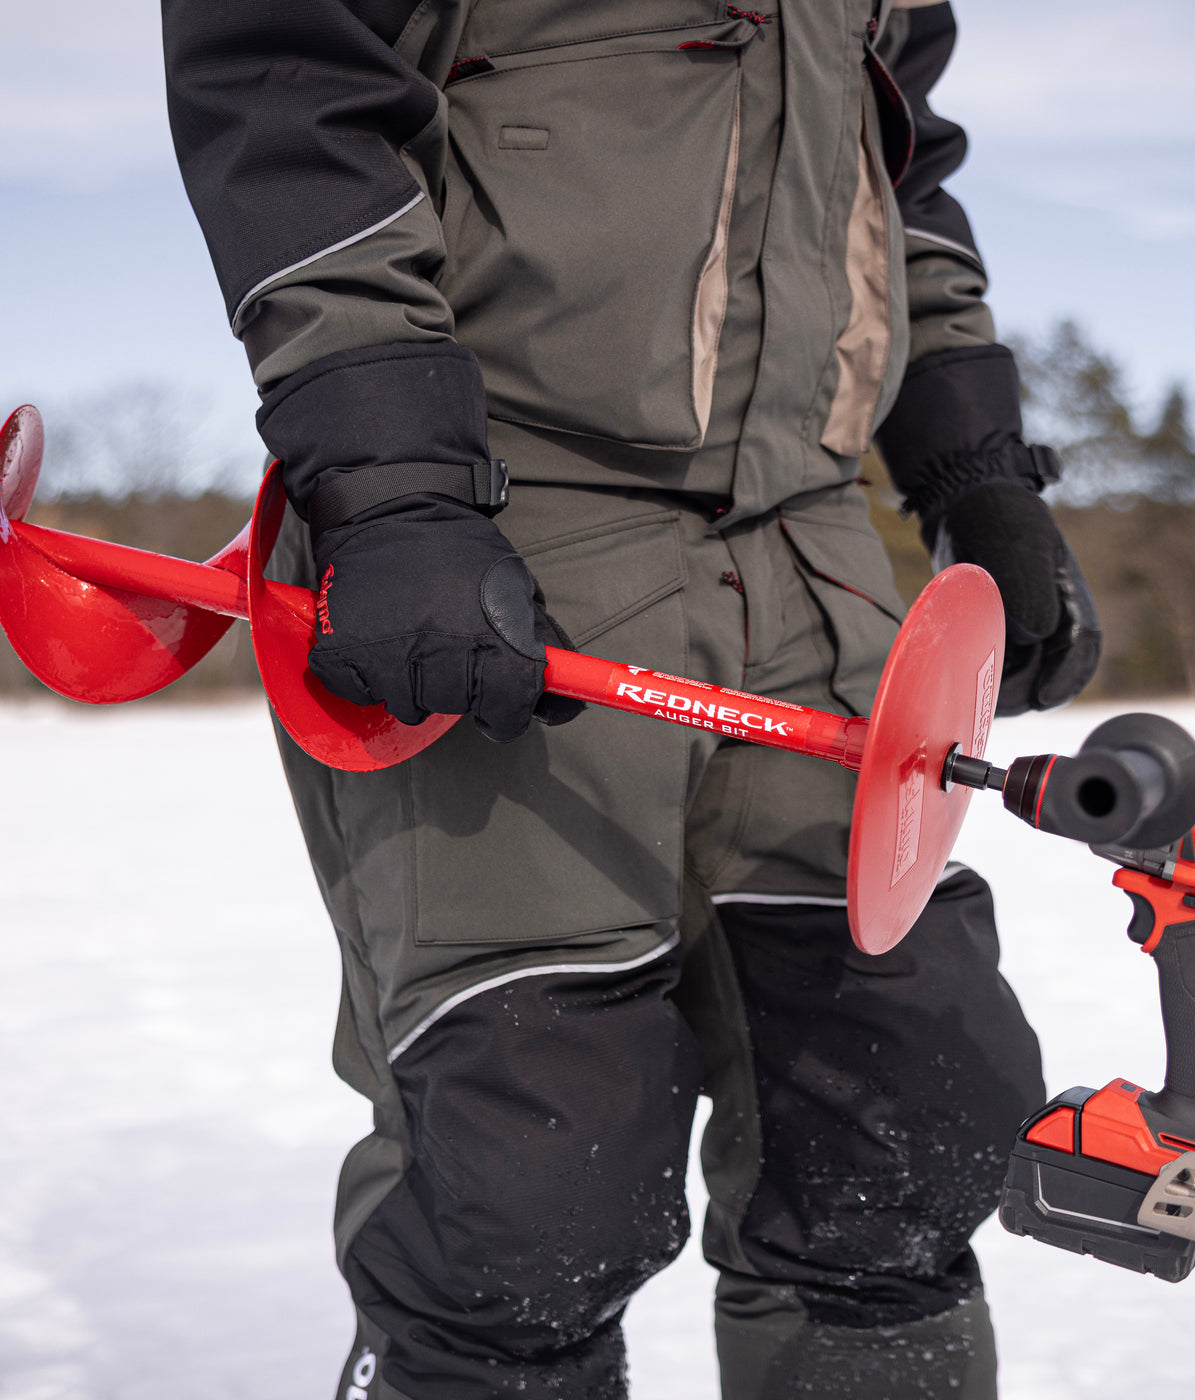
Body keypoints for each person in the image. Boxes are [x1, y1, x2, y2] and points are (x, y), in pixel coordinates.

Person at [162, 0, 1100, 1394]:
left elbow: (894, 162)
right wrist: (396, 482)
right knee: (531, 1179)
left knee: (902, 1115)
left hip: (810, 539)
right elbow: (284, 85)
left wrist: (980, 474)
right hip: (496, 527)